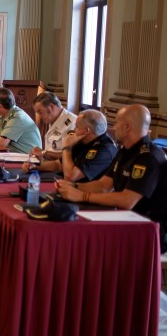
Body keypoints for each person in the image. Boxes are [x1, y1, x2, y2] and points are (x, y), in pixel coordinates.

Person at [56, 105, 167, 251]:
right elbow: (103, 185)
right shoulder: (125, 151)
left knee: (85, 242)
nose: (113, 127)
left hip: (148, 231)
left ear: (127, 127)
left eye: (117, 122)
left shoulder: (149, 157)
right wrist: (72, 187)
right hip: (126, 220)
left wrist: (82, 196)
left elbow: (127, 201)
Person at [22, 109, 117, 182]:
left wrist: (67, 147)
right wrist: (35, 167)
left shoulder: (104, 150)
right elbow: (58, 165)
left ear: (86, 131)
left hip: (90, 197)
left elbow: (70, 177)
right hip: (72, 188)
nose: (74, 130)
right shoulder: (83, 141)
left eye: (77, 126)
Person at [0, 87, 41, 154]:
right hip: (13, 156)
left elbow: (0, 145)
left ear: (0, 106)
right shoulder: (3, 115)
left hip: (27, 159)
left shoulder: (18, 117)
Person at [29, 92, 77, 161]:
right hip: (50, 165)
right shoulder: (53, 120)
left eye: (40, 112)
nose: (39, 116)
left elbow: (70, 156)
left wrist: (43, 153)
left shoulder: (73, 123)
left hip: (60, 169)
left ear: (51, 107)